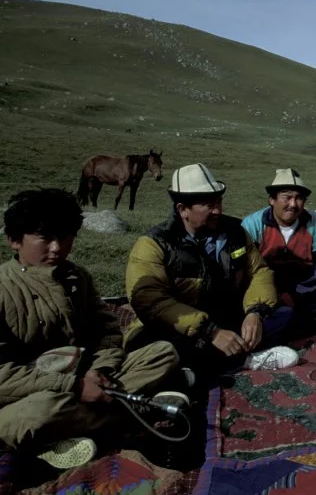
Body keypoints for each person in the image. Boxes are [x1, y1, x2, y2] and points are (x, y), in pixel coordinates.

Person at [0, 189, 180, 470]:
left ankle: (74, 431)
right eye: (45, 238)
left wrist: (102, 370)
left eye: (65, 237)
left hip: (87, 379)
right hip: (31, 397)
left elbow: (106, 333)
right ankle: (134, 409)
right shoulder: (3, 289)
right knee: (40, 412)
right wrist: (73, 386)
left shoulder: (77, 277)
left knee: (163, 353)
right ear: (14, 240)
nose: (57, 248)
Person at [124, 164, 298, 381]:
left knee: (284, 315)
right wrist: (211, 331)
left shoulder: (235, 232)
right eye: (208, 204)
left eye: (218, 202)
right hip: (183, 326)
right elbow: (150, 300)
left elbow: (259, 272)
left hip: (225, 316)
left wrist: (255, 312)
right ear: (182, 209)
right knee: (162, 345)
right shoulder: (154, 244)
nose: (218, 210)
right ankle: (242, 360)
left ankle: (217, 361)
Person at [242, 169, 316, 332]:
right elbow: (248, 269)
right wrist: (276, 293)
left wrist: (295, 295)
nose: (293, 204)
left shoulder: (313, 222)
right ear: (271, 200)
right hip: (268, 283)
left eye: (299, 198)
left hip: (305, 284)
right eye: (287, 197)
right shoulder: (253, 224)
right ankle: (310, 322)